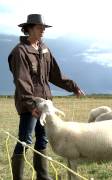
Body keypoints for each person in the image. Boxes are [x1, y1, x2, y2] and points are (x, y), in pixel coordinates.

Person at [8, 14, 85, 180]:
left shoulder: (44, 49)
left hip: (46, 104)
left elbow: (55, 74)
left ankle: (42, 176)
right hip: (31, 105)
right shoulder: (20, 52)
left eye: (44, 28)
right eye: (39, 27)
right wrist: (31, 105)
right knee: (25, 140)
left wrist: (73, 87)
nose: (43, 30)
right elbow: (22, 81)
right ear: (29, 29)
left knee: (43, 139)